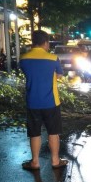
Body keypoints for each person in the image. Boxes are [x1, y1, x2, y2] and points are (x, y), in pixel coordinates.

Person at [20, 30, 68, 171]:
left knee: (34, 132)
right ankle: (55, 160)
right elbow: (59, 75)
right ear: (46, 42)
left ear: (33, 42)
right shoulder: (53, 59)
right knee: (53, 132)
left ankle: (35, 161)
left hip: (32, 102)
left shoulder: (23, 58)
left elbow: (26, 72)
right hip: (51, 102)